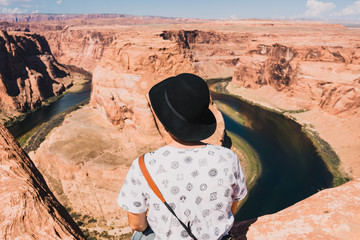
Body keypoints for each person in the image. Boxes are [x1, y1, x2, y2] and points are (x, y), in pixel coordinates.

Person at [117, 73, 247, 240]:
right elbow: (234, 203)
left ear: (165, 122)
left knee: (139, 235)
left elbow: (137, 224)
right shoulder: (229, 158)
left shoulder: (144, 165)